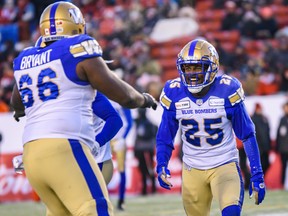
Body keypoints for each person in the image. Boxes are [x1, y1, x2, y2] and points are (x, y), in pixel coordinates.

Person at [10, 2, 157, 216]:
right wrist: (144, 99)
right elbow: (124, 96)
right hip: (64, 145)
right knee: (96, 209)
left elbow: (17, 103)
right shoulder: (77, 48)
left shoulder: (26, 57)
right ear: (75, 26)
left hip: (31, 153)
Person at [156, 39, 266, 216]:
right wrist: (161, 163)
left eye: (198, 67)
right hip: (192, 169)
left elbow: (247, 134)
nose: (191, 73)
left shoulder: (227, 90)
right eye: (187, 68)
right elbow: (164, 136)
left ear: (212, 67)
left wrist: (257, 174)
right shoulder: (173, 92)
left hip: (224, 164)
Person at [92, 92, 123, 185]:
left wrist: (97, 142)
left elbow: (116, 120)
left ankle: (121, 198)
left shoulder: (89, 93)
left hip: (96, 159)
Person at [109, 100, 133, 211]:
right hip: (106, 139)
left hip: (118, 139)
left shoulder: (120, 99)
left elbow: (129, 122)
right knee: (101, 167)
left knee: (121, 169)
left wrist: (123, 137)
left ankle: (121, 200)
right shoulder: (103, 97)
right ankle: (103, 198)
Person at [134, 107, 157, 195]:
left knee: (149, 168)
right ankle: (145, 189)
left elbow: (152, 133)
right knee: (143, 169)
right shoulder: (138, 122)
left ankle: (153, 188)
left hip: (146, 148)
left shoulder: (148, 123)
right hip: (141, 148)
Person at [251, 102, 271, 175]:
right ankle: (258, 181)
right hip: (258, 146)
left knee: (266, 164)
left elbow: (267, 132)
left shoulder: (264, 118)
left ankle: (262, 179)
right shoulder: (253, 119)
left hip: (265, 146)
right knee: (259, 165)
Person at [276, 101, 288, 188]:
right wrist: (277, 146)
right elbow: (279, 134)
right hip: (284, 148)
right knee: (283, 166)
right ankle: (282, 184)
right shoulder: (282, 119)